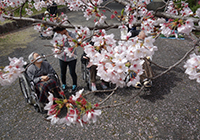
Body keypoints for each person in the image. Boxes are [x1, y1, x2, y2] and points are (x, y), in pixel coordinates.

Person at [53, 27, 77, 91]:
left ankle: (74, 84)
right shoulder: (56, 34)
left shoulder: (71, 33)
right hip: (62, 57)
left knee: (72, 72)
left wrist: (68, 36)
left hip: (71, 57)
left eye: (59, 32)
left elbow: (75, 43)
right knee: (63, 72)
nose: (57, 33)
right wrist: (56, 47)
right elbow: (54, 43)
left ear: (63, 30)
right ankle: (64, 84)